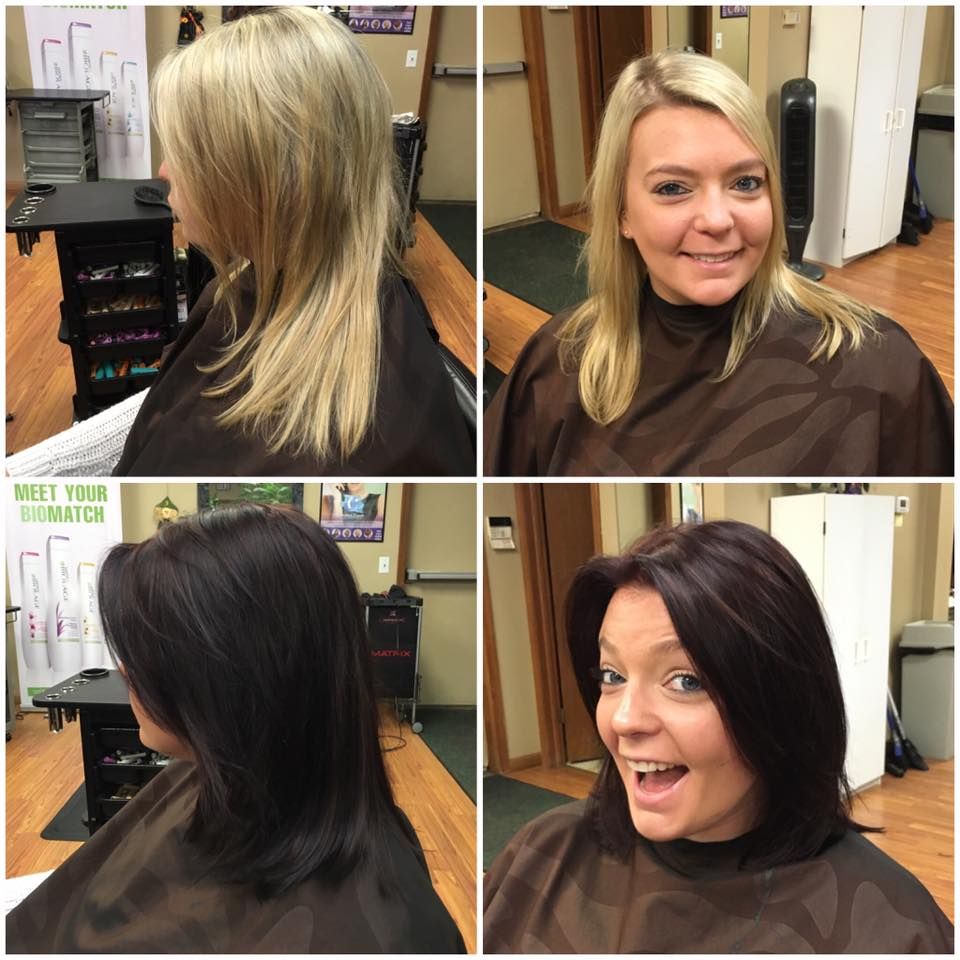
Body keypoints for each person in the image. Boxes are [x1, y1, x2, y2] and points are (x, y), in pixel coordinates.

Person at [6, 7, 473, 477]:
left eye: (185, 153)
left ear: (263, 180)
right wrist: (29, 471)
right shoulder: (259, 279)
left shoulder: (343, 451)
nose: (164, 171)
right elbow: (174, 403)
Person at [7, 504, 466, 953]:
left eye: (148, 652)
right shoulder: (207, 781)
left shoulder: (373, 936)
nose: (126, 671)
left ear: (233, 672)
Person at [484, 521, 954, 953]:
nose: (625, 720)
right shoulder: (539, 856)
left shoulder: (891, 931)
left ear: (781, 701)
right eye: (612, 675)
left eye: (686, 681)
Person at [483, 51, 953, 476]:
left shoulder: (875, 363)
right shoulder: (558, 364)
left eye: (745, 183)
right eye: (673, 188)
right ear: (622, 212)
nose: (716, 219)